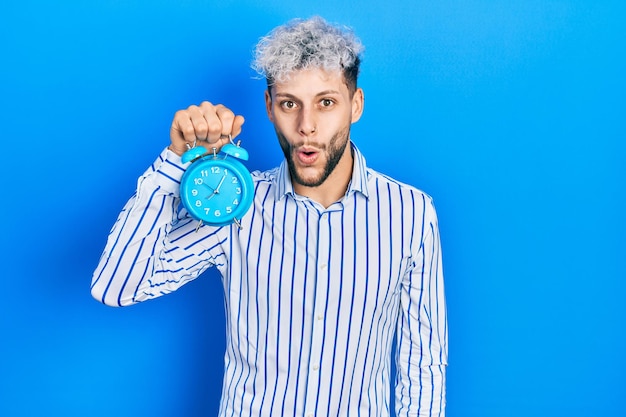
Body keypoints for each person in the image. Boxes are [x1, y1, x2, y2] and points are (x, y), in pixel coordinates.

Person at [91, 16, 447, 417]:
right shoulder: (236, 208)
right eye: (289, 104)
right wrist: (175, 162)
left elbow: (422, 364)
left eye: (326, 103)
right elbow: (116, 287)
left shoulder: (410, 213)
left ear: (356, 106)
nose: (306, 127)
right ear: (269, 107)